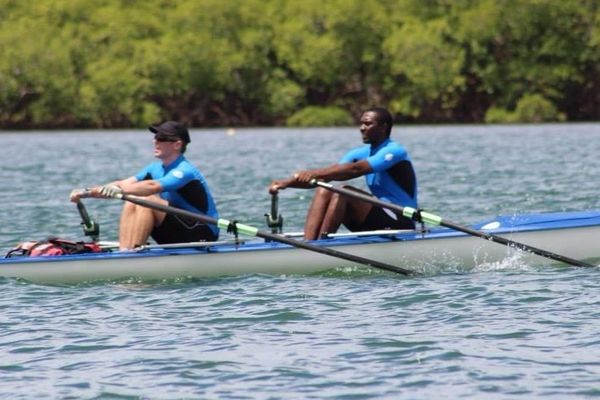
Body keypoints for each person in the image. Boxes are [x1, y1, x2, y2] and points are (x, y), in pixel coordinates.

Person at [269, 107, 418, 240]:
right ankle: (309, 244)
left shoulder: (394, 151)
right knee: (324, 188)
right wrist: (287, 183)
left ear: (383, 127)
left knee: (344, 191)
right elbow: (325, 176)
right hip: (378, 219)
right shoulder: (360, 153)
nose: (361, 128)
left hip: (401, 220)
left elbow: (355, 169)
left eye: (368, 124)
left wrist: (312, 172)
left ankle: (321, 246)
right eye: (361, 123)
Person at [70, 121, 219, 250]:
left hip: (202, 233)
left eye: (161, 138)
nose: (155, 141)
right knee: (132, 198)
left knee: (146, 199)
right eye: (155, 137)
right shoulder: (153, 169)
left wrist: (119, 190)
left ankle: (132, 255)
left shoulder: (185, 170)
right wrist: (86, 192)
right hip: (177, 231)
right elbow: (122, 184)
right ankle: (125, 252)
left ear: (177, 144)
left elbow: (153, 186)